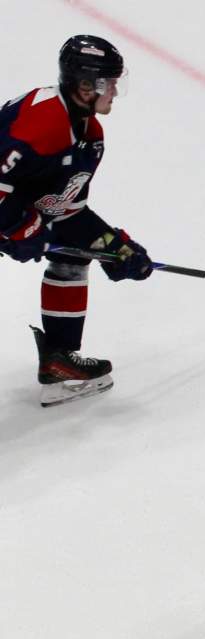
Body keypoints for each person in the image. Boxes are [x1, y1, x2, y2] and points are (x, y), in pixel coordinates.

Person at [0, 34, 153, 407]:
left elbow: (65, 212)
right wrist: (21, 229)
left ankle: (59, 359)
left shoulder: (88, 135)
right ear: (86, 85)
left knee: (73, 255)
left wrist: (109, 245)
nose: (115, 91)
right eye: (110, 83)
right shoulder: (41, 123)